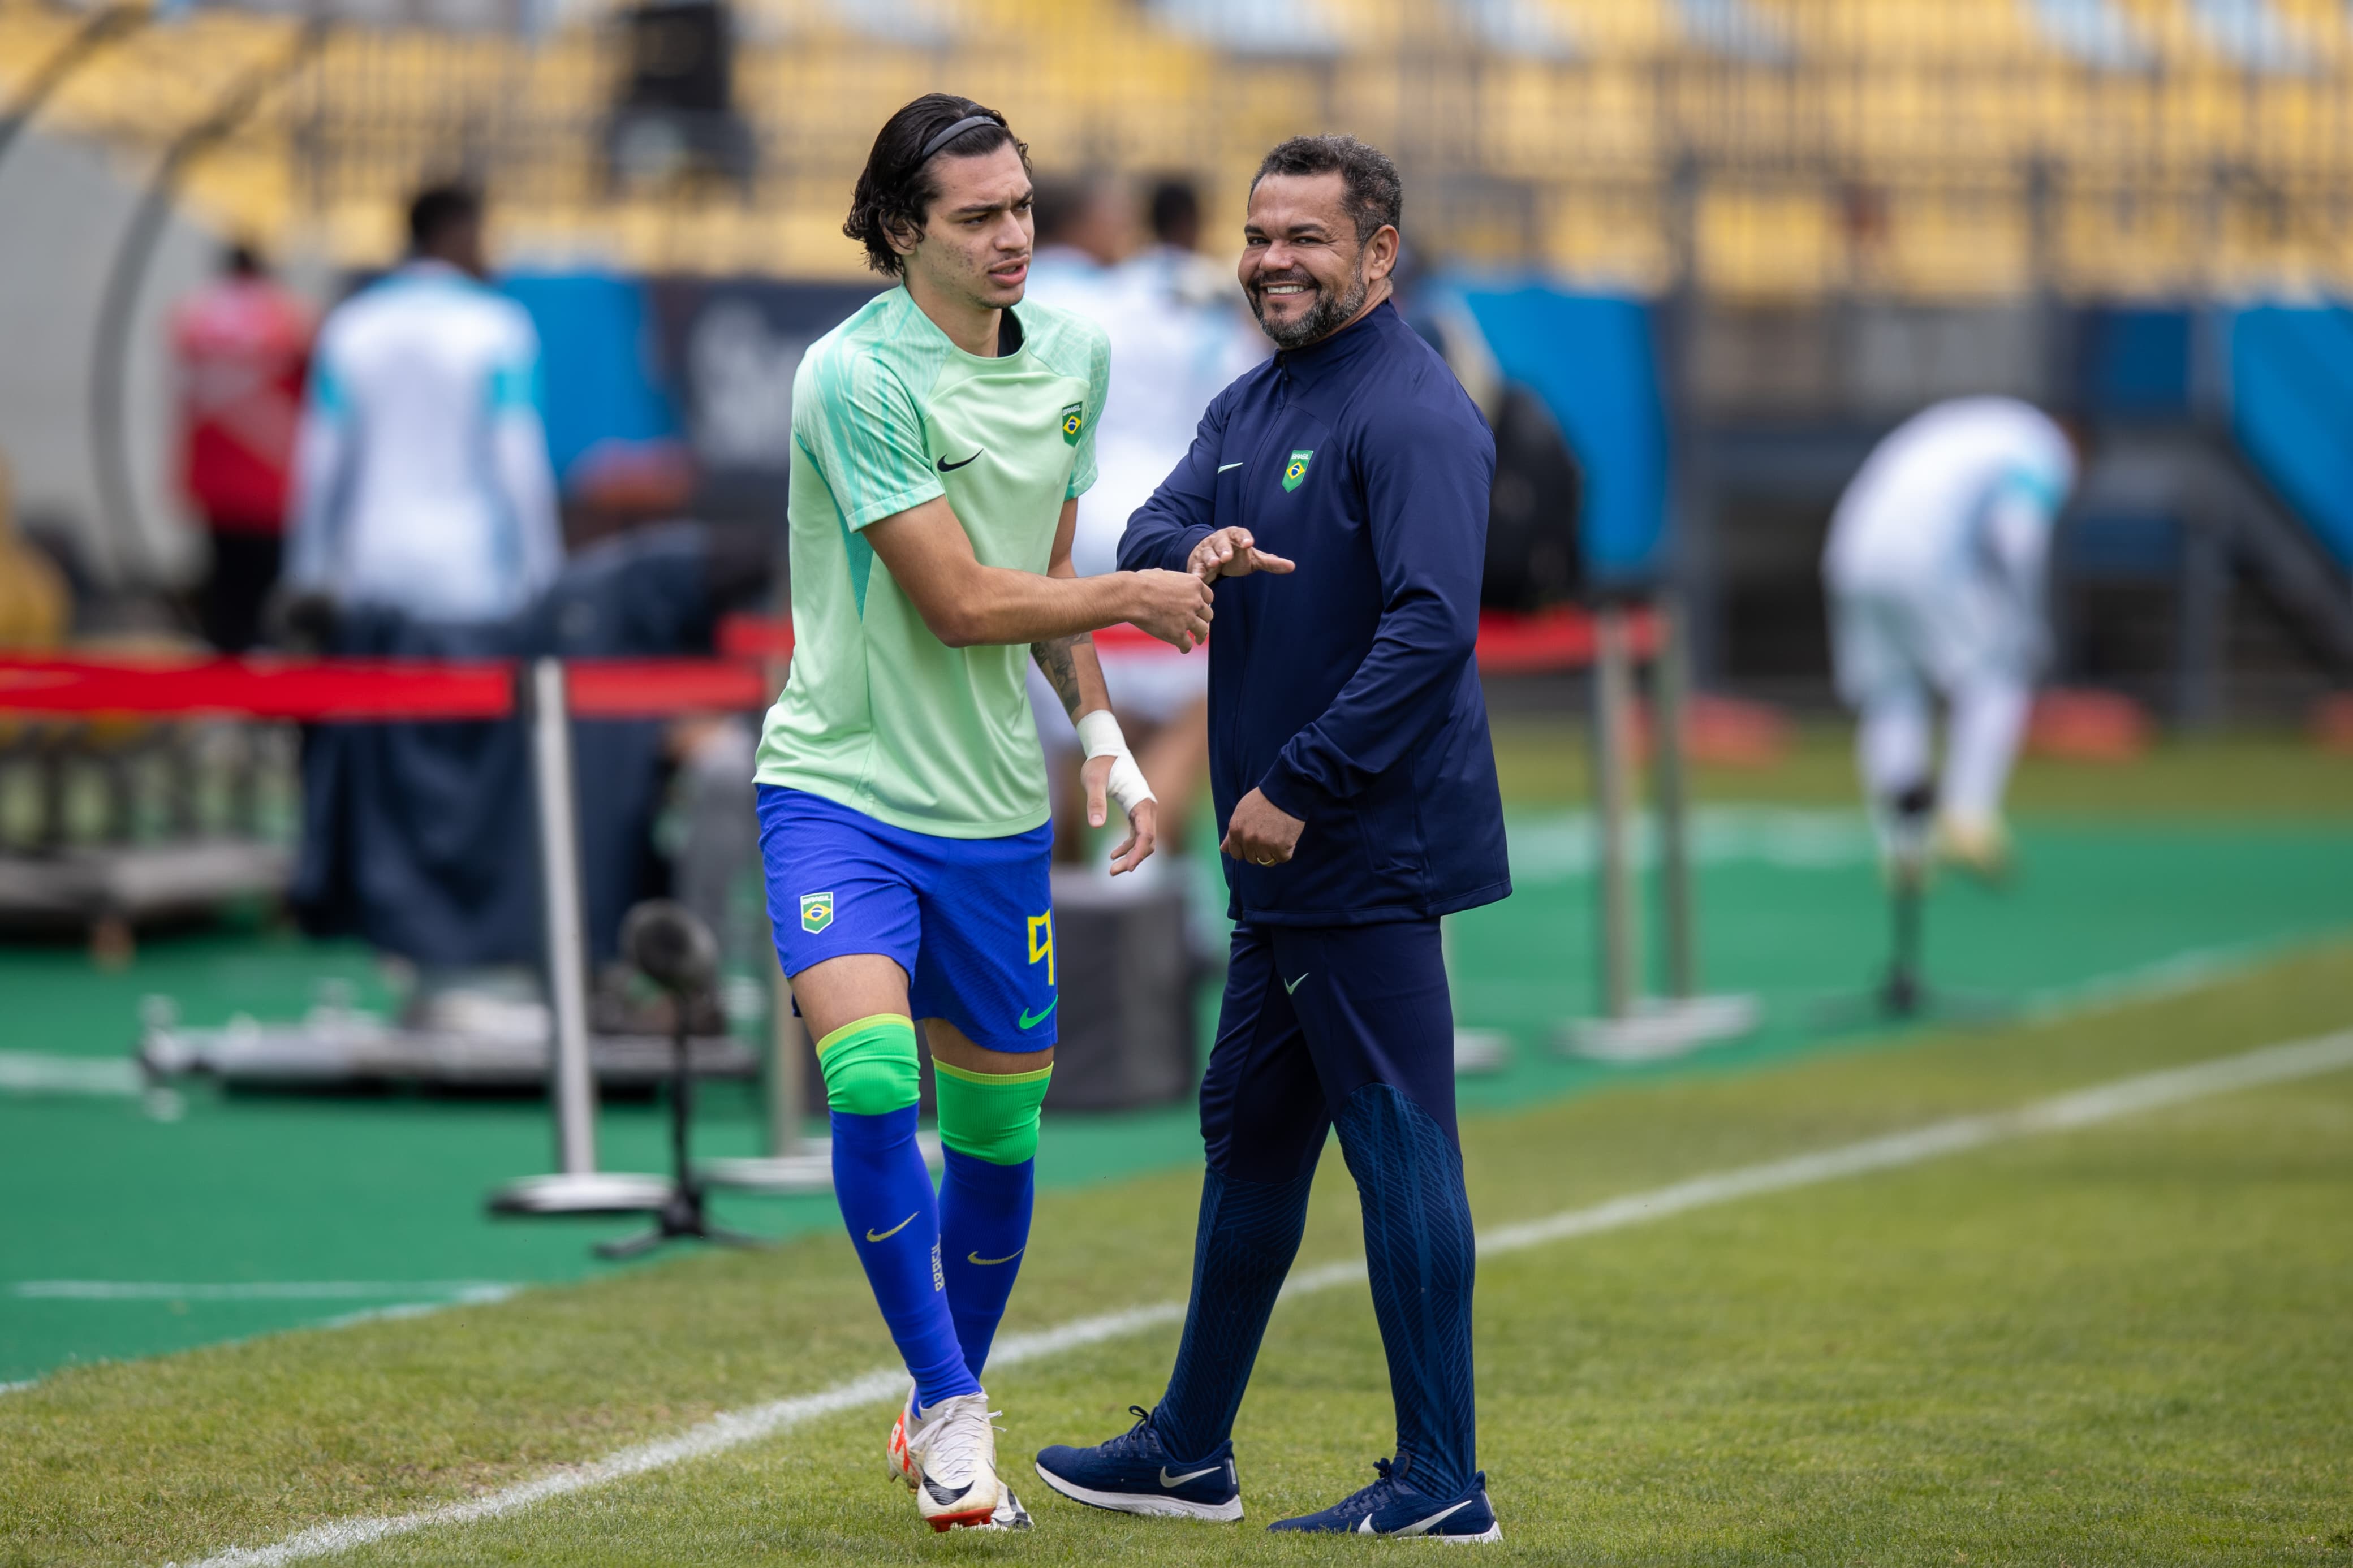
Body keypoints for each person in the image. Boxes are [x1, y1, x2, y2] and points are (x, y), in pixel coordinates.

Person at [1033, 134, 1510, 1540]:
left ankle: (1441, 1482)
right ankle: (1189, 1449)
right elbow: (1156, 512)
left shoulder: (1414, 413)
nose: (1273, 260)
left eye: (1307, 237)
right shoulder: (1256, 398)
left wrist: (1299, 780)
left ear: (1379, 258)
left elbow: (1434, 624)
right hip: (1282, 859)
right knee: (1248, 1134)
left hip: (1359, 844)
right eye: (1258, 234)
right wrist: (1195, 552)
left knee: (1399, 1142)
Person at [750, 93, 1214, 1534]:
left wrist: (1100, 739)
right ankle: (952, 1414)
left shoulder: (1073, 351)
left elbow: (1038, 568)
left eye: (1020, 207)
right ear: (900, 231)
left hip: (993, 813)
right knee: (877, 1078)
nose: (1015, 237)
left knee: (1002, 1139)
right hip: (835, 787)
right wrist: (1138, 602)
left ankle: (938, 1391)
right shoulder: (851, 377)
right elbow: (959, 601)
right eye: (977, 216)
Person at [1821, 396, 2080, 879]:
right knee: (1998, 674)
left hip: (1852, 555)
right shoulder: (2044, 446)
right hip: (1930, 561)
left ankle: (1904, 844)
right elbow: (2017, 535)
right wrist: (2028, 621)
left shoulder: (1968, 423)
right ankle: (1969, 814)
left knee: (1891, 697)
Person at [283, 185, 561, 623]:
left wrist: (306, 569)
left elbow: (320, 459)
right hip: (470, 573)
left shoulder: (352, 326)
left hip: (369, 566)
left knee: (372, 693)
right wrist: (545, 572)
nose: (492, 254)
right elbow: (518, 460)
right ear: (456, 233)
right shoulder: (499, 329)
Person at [170, 243, 312, 651]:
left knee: (225, 586)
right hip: (272, 482)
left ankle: (227, 670)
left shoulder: (195, 316)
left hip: (215, 483)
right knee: (269, 593)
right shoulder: (288, 317)